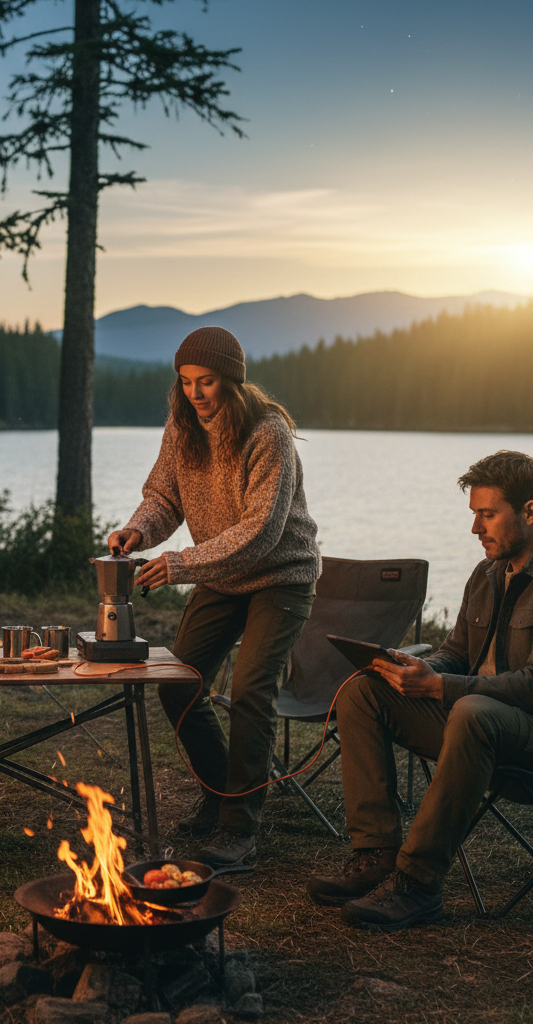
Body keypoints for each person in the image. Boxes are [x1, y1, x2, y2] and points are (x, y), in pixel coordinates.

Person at [108, 325, 321, 873]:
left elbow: (260, 533)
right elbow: (163, 496)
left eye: (205, 382)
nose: (195, 393)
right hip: (223, 577)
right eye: (185, 382)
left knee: (251, 690)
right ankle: (221, 789)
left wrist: (178, 563)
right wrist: (136, 531)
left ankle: (238, 831)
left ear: (231, 379)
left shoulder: (267, 431)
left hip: (280, 576)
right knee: (179, 685)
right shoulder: (182, 429)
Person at [308, 450, 533, 931]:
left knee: (472, 711)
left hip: (519, 736)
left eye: (488, 515)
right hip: (469, 728)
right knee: (363, 691)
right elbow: (455, 651)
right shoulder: (486, 574)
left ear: (530, 511)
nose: (476, 529)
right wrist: (415, 669)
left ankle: (418, 883)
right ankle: (376, 855)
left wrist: (441, 685)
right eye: (474, 515)